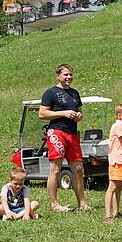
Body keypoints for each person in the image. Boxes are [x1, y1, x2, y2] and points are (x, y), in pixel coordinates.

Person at [38, 63, 91, 213]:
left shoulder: (75, 93)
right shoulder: (50, 93)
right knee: (55, 169)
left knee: (78, 168)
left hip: (72, 133)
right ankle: (54, 204)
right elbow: (42, 114)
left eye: (70, 75)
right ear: (58, 76)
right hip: (57, 132)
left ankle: (82, 202)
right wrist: (63, 113)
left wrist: (79, 116)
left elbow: (79, 112)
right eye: (65, 75)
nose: (68, 77)